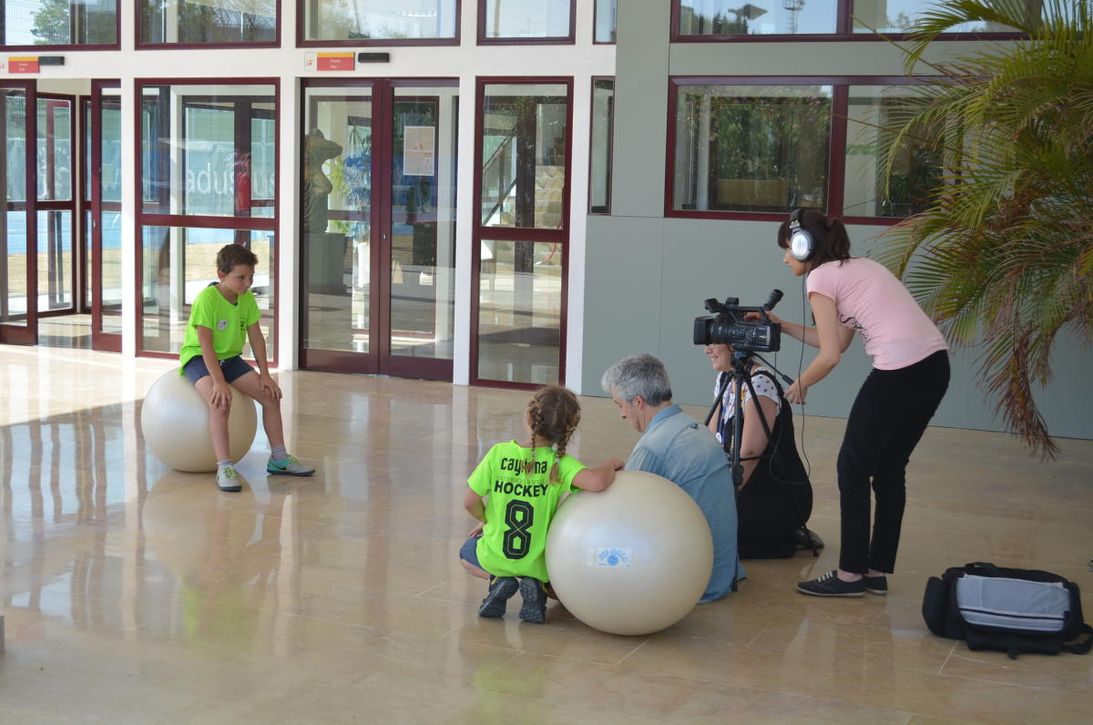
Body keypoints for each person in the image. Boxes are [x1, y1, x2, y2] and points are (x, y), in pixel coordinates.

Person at [769, 208, 949, 597]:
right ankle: (874, 569)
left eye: (788, 248)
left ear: (805, 246)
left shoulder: (820, 276)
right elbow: (834, 340)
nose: (785, 257)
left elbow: (830, 355)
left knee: (852, 466)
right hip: (934, 368)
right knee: (888, 467)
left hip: (900, 371)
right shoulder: (856, 269)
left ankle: (850, 574)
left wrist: (800, 383)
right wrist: (781, 324)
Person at [460, 385, 623, 624]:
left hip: (495, 555)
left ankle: (498, 579)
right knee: (557, 581)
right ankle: (535, 584)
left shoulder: (498, 453)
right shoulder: (560, 464)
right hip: (539, 563)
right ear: (568, 430)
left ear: (529, 417)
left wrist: (486, 520)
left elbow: (469, 501)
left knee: (466, 553)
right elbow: (597, 482)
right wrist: (611, 462)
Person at [601, 353, 744, 602]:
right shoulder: (696, 429)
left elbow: (622, 518)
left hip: (693, 583)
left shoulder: (652, 447)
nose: (621, 414)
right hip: (724, 573)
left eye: (619, 405)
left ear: (638, 402)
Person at [179, 243, 316, 492]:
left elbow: (256, 337)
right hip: (199, 357)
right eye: (240, 277)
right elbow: (205, 344)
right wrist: (219, 382)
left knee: (271, 398)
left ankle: (279, 459)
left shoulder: (247, 299)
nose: (247, 283)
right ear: (221, 275)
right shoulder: (207, 300)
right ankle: (225, 467)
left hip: (230, 358)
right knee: (220, 402)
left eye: (250, 277)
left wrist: (265, 375)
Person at [703, 343, 816, 559]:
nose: (707, 350)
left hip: (772, 495)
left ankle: (781, 535)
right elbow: (711, 443)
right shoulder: (725, 378)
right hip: (744, 488)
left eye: (713, 344)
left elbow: (750, 454)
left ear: (734, 345)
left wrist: (718, 502)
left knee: (709, 537)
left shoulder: (760, 383)